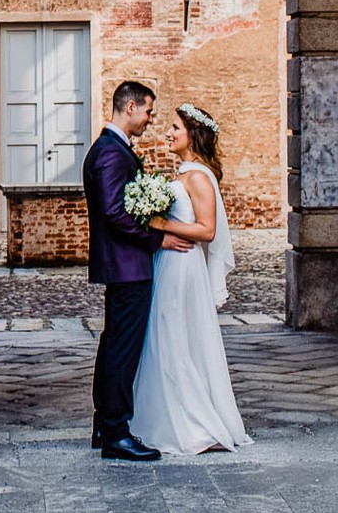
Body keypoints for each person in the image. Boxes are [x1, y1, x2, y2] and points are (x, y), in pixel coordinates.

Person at [131, 102, 253, 455]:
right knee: (164, 337)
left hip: (183, 267)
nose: (168, 133)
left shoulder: (199, 177)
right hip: (168, 262)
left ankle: (193, 422)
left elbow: (208, 229)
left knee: (174, 336)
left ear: (192, 135)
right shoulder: (184, 174)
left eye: (174, 128)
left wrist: (160, 224)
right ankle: (166, 415)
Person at [83, 79, 193, 461]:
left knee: (114, 343)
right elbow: (115, 211)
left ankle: (104, 425)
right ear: (129, 108)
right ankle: (116, 433)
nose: (150, 119)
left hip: (121, 265)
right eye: (148, 111)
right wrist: (157, 239)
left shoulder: (110, 148)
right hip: (128, 266)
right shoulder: (112, 153)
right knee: (122, 349)